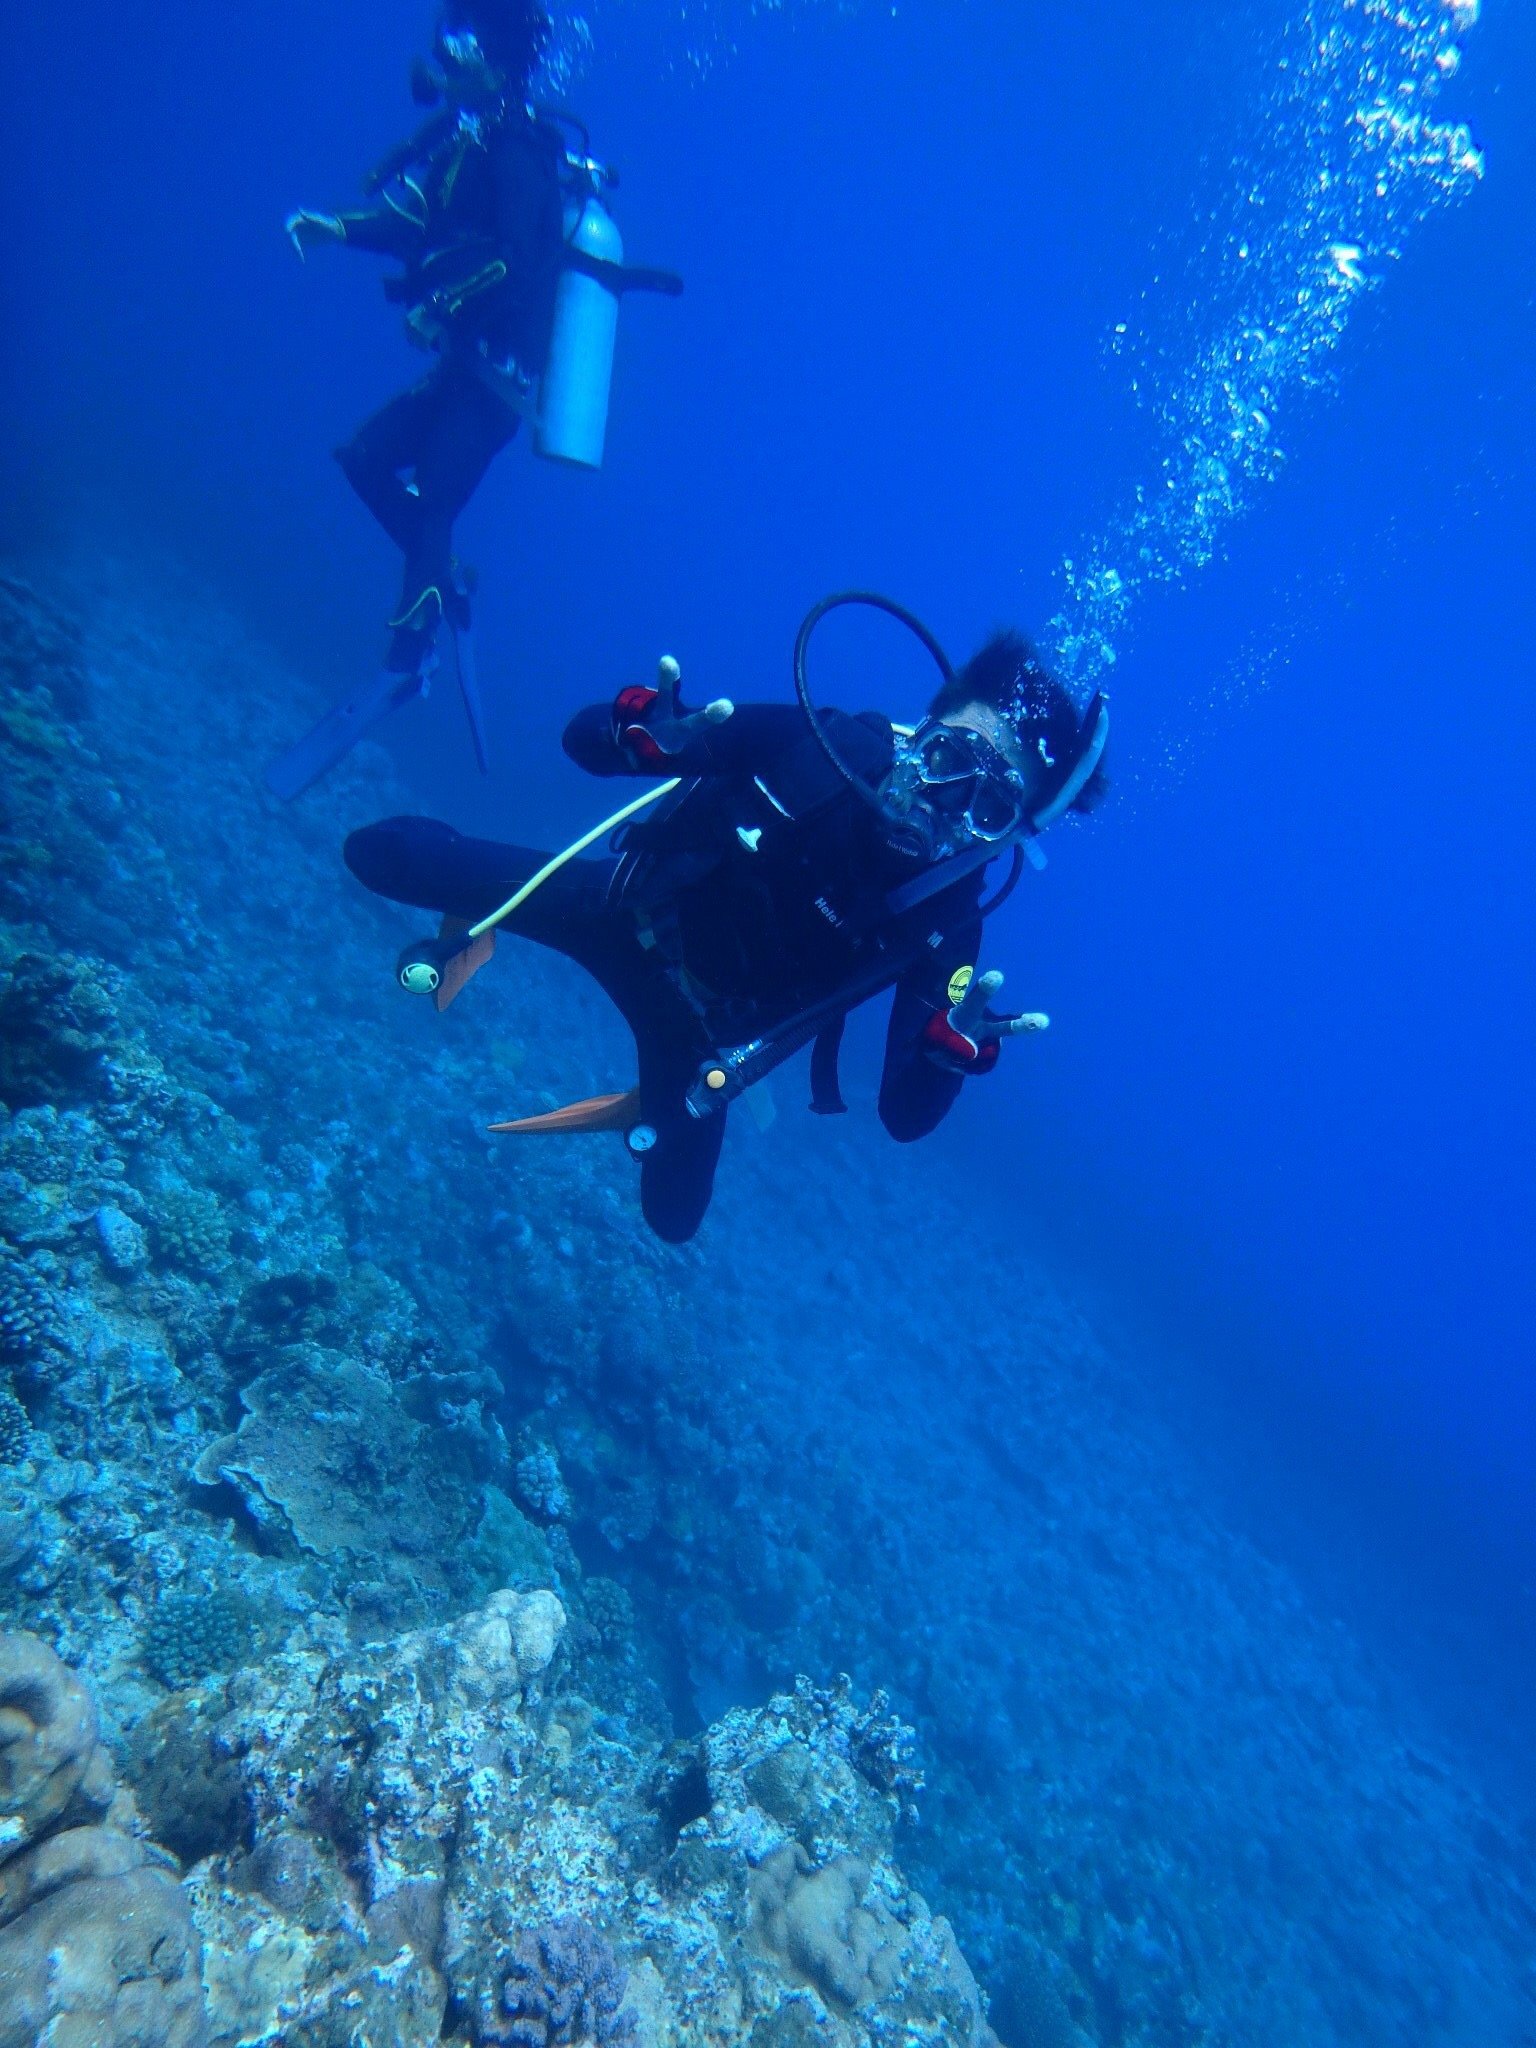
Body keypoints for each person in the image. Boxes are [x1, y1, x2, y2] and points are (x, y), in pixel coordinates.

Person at [343, 618, 1110, 1242]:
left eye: (986, 808)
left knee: (672, 1220)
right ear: (924, 728)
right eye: (948, 759)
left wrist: (948, 1059)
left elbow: (904, 1117)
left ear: (1008, 835)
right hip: (615, 909)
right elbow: (582, 744)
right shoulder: (822, 745)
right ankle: (473, 924)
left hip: (701, 1039)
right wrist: (631, 734)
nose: (942, 805)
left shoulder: (947, 917)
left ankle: (635, 1095)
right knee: (380, 854)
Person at [269, 0, 567, 795]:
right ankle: (447, 584)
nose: (442, 53)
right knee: (363, 457)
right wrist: (338, 226)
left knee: (433, 503)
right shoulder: (468, 141)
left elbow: (516, 262)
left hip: (499, 380)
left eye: (458, 41)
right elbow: (415, 220)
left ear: (494, 59)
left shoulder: (518, 152)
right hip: (464, 366)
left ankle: (407, 662)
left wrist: (439, 307)